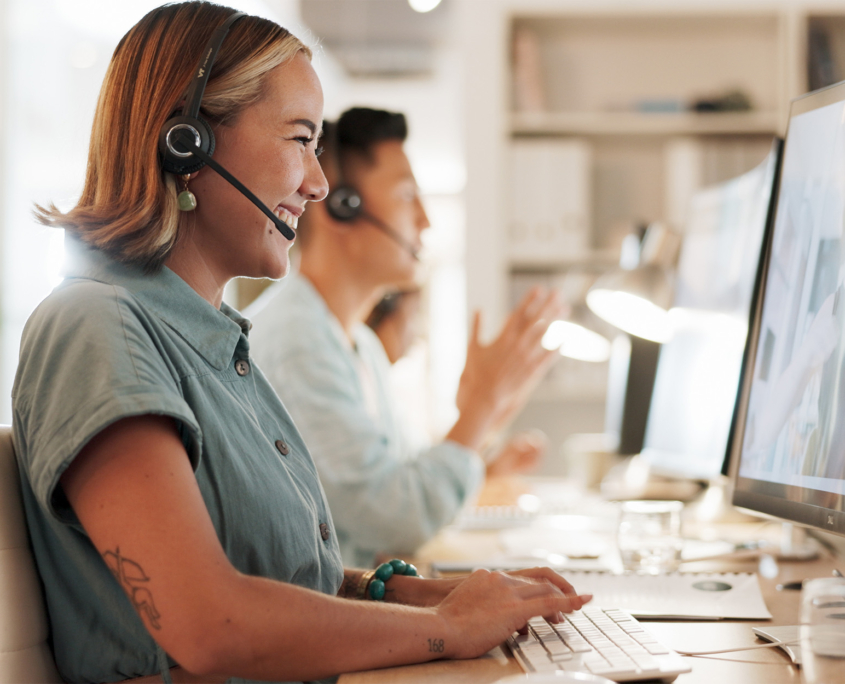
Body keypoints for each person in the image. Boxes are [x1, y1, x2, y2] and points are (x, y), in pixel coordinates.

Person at [12, 4, 590, 683]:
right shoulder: (95, 328)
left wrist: (409, 593)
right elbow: (211, 625)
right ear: (187, 143)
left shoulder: (211, 341)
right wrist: (445, 629)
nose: (318, 185)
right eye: (299, 140)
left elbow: (271, 573)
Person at [247, 108, 563, 567]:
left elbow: (401, 478)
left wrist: (484, 429)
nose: (426, 220)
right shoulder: (299, 343)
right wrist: (480, 409)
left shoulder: (358, 343)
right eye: (407, 196)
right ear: (342, 206)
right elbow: (397, 516)